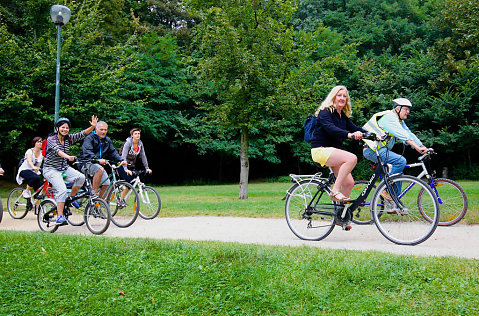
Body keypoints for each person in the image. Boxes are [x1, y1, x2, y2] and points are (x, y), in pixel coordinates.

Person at [310, 85, 367, 202]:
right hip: (320, 150)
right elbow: (331, 128)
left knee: (349, 183)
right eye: (339, 95)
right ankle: (335, 190)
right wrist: (349, 134)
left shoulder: (342, 116)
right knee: (352, 158)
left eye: (344, 96)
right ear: (333, 97)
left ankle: (339, 216)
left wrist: (374, 135)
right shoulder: (324, 112)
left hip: (333, 152)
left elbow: (355, 128)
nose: (342, 98)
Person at [43, 116, 98, 225]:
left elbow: (82, 134)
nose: (65, 130)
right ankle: (60, 216)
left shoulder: (68, 139)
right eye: (63, 127)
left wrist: (92, 127)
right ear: (57, 128)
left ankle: (71, 199)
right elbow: (57, 151)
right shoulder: (51, 139)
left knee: (81, 178)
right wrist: (67, 157)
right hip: (50, 169)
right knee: (62, 189)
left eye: (67, 128)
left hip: (63, 168)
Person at [362, 98, 433, 178]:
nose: (408, 112)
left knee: (398, 174)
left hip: (381, 150)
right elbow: (403, 135)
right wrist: (417, 147)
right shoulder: (389, 118)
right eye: (406, 109)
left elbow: (409, 133)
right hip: (372, 150)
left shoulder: (399, 120)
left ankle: (394, 190)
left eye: (409, 110)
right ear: (398, 108)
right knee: (400, 161)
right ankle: (384, 189)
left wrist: (423, 147)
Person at [78, 121, 127, 198]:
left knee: (106, 184)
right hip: (86, 163)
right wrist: (97, 160)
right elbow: (87, 152)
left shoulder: (107, 140)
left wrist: (121, 160)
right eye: (101, 129)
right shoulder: (89, 138)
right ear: (96, 129)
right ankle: (93, 194)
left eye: (105, 130)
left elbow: (113, 152)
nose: (103, 132)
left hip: (97, 164)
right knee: (100, 169)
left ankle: (98, 206)